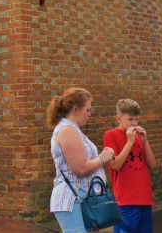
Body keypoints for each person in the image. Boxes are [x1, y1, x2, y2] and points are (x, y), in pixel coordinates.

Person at [49, 87, 116, 233]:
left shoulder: (72, 129)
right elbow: (80, 169)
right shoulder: (68, 130)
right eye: (88, 109)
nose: (90, 114)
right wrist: (103, 158)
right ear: (76, 109)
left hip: (82, 199)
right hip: (73, 200)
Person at [103, 99, 157, 233]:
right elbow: (115, 165)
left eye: (136, 119)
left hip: (144, 198)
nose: (134, 123)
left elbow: (153, 165)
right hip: (126, 200)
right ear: (118, 118)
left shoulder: (139, 136)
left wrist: (145, 142)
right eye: (130, 119)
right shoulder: (111, 134)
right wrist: (129, 142)